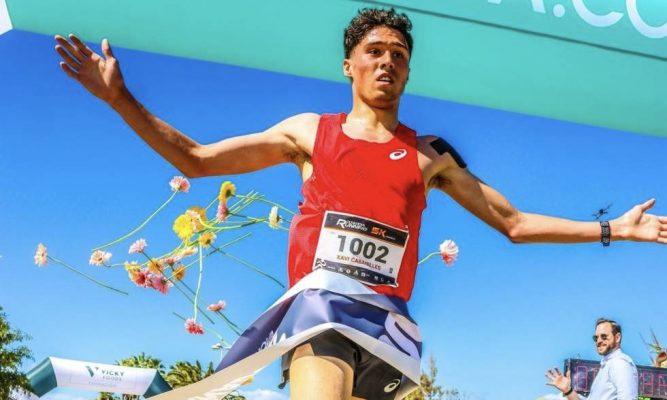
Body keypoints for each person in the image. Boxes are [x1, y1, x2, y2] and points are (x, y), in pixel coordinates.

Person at [54, 8, 666, 400]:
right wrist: (121, 99)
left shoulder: (430, 155)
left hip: (389, 332)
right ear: (349, 65)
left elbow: (514, 223)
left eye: (399, 54)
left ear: (408, 73)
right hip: (320, 315)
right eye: (375, 50)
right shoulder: (308, 132)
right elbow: (196, 159)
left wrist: (614, 228)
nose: (388, 60)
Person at [546, 318, 638, 400]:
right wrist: (567, 390)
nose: (599, 341)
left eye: (604, 336)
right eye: (596, 338)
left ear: (617, 337)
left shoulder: (619, 363)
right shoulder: (607, 365)